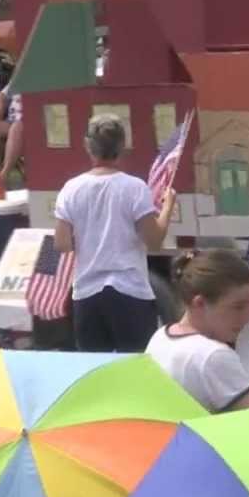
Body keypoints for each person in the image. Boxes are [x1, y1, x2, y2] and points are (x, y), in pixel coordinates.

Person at [55, 115, 176, 351]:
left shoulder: (71, 189)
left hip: (87, 293)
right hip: (130, 290)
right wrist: (168, 206)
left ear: (87, 145)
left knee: (96, 373)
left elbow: (62, 244)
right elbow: (154, 241)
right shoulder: (134, 188)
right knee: (135, 370)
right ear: (122, 146)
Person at [145, 250, 249, 413]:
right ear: (200, 303)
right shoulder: (213, 356)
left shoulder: (159, 337)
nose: (248, 318)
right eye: (238, 307)